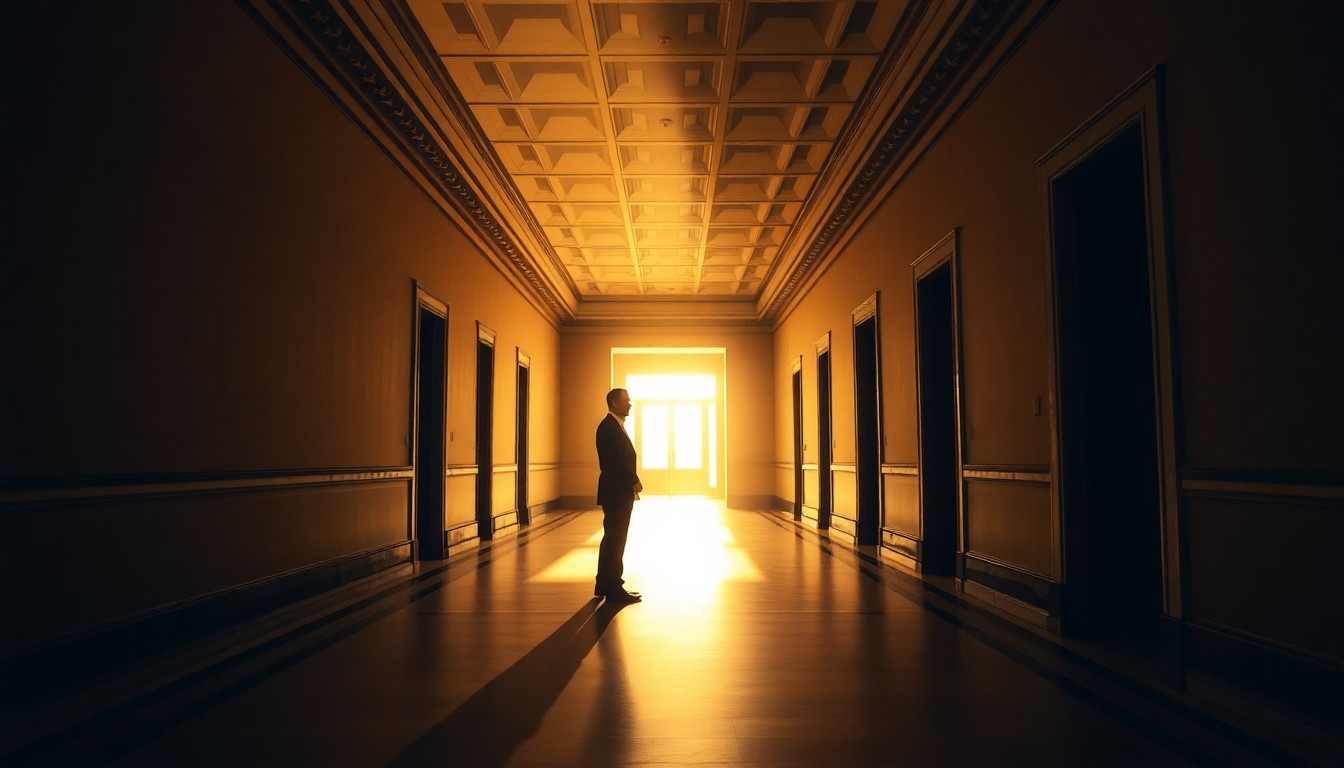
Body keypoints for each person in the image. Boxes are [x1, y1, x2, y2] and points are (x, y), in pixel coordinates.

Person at [594, 388, 642, 603]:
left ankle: (605, 584)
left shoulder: (614, 425)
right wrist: (633, 480)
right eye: (626, 400)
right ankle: (612, 587)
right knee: (615, 539)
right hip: (616, 491)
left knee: (613, 538)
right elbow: (616, 461)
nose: (630, 404)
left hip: (616, 490)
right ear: (614, 402)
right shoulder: (608, 427)